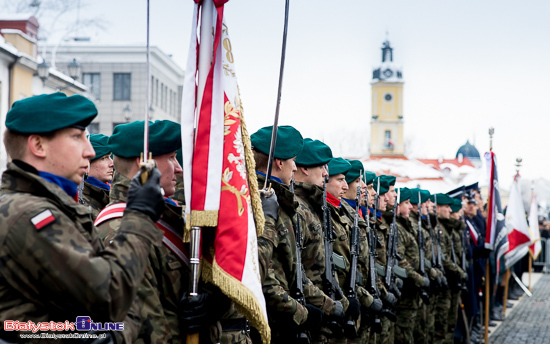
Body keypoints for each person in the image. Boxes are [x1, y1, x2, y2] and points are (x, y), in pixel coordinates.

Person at [0, 92, 165, 342]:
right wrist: (139, 216)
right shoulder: (30, 215)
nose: (89, 152)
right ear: (38, 145)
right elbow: (111, 295)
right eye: (77, 137)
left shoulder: (49, 206)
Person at [95, 120, 216, 343]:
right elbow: (143, 327)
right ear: (145, 163)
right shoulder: (118, 228)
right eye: (171, 158)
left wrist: (209, 303)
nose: (178, 168)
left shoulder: (164, 215)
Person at [251, 125, 333, 343]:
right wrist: (303, 313)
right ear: (279, 163)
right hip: (276, 321)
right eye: (293, 161)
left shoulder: (280, 200)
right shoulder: (262, 201)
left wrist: (330, 306)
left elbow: (294, 269)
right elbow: (264, 274)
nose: (295, 167)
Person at [293, 139, 347, 343]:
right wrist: (329, 305)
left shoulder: (315, 206)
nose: (326, 173)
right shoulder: (297, 207)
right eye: (322, 167)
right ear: (304, 168)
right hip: (307, 313)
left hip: (323, 311)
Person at [393, 188, 430, 344]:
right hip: (405, 292)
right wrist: (420, 279)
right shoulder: (399, 228)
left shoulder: (407, 226)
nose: (409, 207)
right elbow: (400, 260)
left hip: (413, 291)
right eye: (406, 203)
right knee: (404, 336)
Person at [80, 133, 113, 220]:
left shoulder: (109, 194)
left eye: (110, 157)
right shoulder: (80, 202)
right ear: (87, 163)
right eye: (104, 158)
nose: (112, 164)